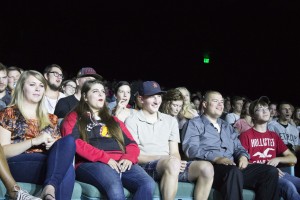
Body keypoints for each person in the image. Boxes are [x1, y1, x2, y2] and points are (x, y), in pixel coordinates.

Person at [61, 79, 155, 199]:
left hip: (121, 162)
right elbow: (73, 142)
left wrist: (129, 158)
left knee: (148, 184)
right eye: (95, 91)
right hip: (91, 163)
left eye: (102, 91)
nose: (101, 94)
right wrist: (105, 158)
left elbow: (132, 144)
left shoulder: (113, 120)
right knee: (114, 184)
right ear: (85, 96)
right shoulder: (74, 117)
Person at [181, 90, 279, 200]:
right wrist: (217, 158)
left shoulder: (227, 127)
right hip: (210, 168)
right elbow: (191, 149)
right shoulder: (194, 124)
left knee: (270, 172)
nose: (220, 104)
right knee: (233, 172)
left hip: (232, 167)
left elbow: (238, 147)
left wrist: (243, 156)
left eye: (222, 102)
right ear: (205, 104)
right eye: (215, 101)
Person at [125, 81, 214, 200]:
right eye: (152, 96)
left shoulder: (170, 121)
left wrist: (176, 161)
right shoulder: (132, 120)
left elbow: (174, 152)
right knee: (172, 163)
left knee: (206, 168)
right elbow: (135, 156)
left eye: (158, 96)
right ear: (141, 99)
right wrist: (166, 159)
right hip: (145, 165)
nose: (157, 100)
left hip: (169, 164)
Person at [0, 70, 76, 200]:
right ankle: (50, 188)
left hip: (47, 163)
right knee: (65, 169)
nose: (37, 89)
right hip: (19, 162)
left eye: (41, 86)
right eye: (32, 85)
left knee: (68, 141)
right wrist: (33, 141)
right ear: (22, 87)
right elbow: (3, 151)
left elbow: (60, 152)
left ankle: (49, 187)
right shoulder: (8, 113)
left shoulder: (51, 118)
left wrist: (53, 145)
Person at [239, 96, 300, 200]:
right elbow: (243, 163)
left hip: (277, 173)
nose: (265, 111)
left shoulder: (273, 135)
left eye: (266, 108)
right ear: (253, 115)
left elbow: (293, 158)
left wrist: (278, 159)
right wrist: (268, 169)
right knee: (288, 187)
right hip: (263, 176)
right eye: (260, 109)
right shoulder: (245, 135)